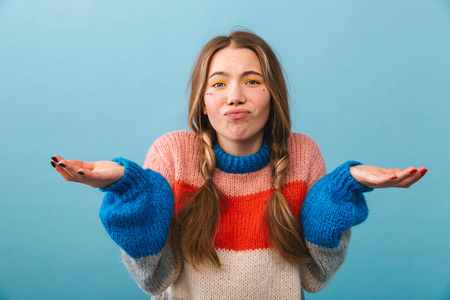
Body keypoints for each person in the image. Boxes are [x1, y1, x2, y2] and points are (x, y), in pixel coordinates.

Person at [51, 31, 427, 300]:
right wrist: (129, 191)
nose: (235, 97)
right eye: (218, 84)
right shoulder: (173, 154)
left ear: (273, 96)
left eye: (252, 81)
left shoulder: (303, 153)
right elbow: (155, 279)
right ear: (202, 102)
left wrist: (340, 190)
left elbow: (314, 278)